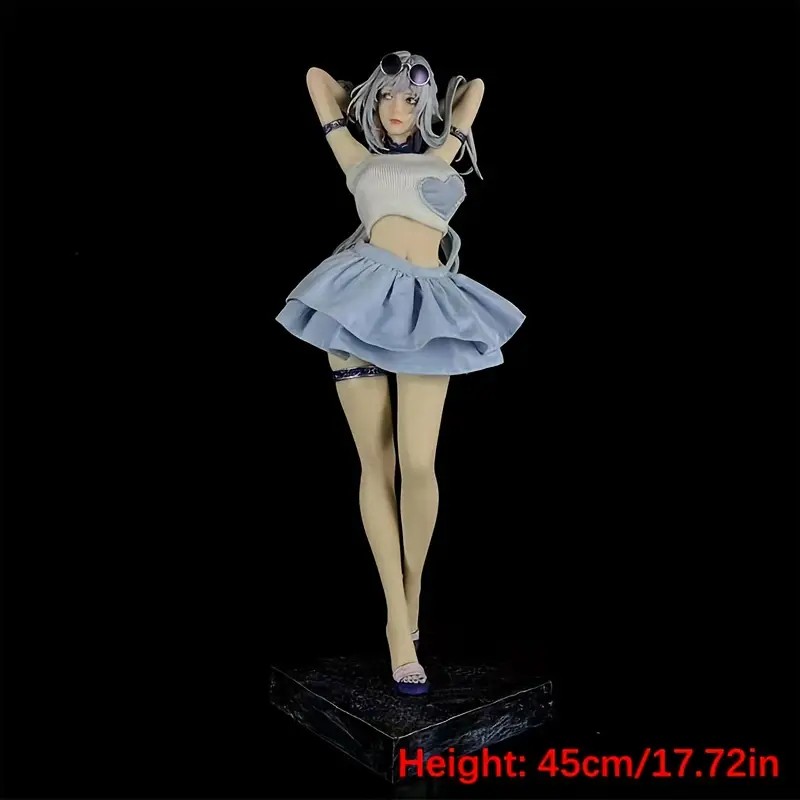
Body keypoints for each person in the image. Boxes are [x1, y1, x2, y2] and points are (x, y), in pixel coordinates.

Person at [276, 51, 525, 696]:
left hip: (427, 305)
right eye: (386, 98)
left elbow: (475, 89)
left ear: (426, 107)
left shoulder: (446, 151)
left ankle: (411, 598)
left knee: (419, 464)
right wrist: (371, 89)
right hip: (357, 301)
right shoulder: (354, 155)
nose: (396, 109)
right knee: (376, 464)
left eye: (410, 100)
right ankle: (396, 621)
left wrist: (428, 89)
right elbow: (315, 80)